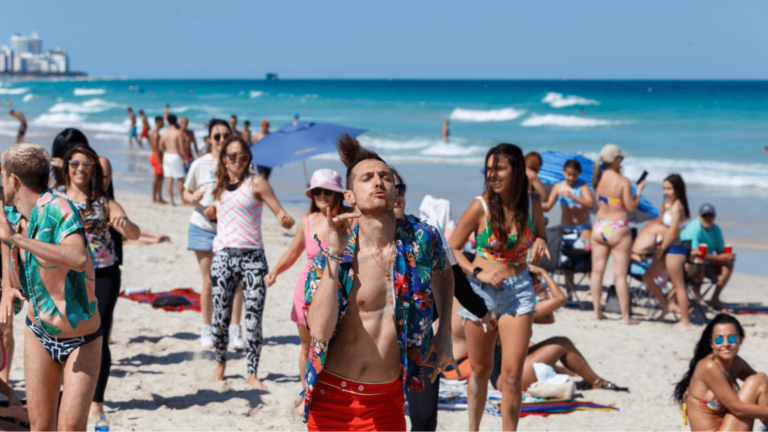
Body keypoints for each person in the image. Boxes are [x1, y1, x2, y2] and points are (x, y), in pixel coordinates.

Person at [302, 135, 456, 431]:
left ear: (395, 191)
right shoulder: (335, 250)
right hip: (334, 398)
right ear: (349, 196)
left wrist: (445, 329)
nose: (378, 182)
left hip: (388, 399)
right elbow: (318, 330)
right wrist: (335, 253)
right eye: (367, 178)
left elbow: (444, 272)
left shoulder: (423, 239)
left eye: (385, 177)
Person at [0, 142, 101, 432]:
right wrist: (8, 285)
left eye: (3, 175)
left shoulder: (59, 208)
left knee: (70, 428)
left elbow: (78, 257)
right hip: (38, 332)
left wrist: (16, 240)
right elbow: (5, 240)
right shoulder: (11, 211)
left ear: (14, 180)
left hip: (82, 339)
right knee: (41, 427)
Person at [449, 143, 549, 432]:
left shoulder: (533, 205)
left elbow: (539, 235)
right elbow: (452, 248)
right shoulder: (479, 206)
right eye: (489, 168)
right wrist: (477, 272)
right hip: (479, 293)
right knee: (480, 371)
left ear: (516, 170)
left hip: (518, 291)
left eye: (499, 168)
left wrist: (541, 241)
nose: (492, 174)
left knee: (512, 377)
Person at [391, 167, 493, 432]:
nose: (395, 194)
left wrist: (483, 312)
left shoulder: (427, 231)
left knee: (424, 419)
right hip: (377, 343)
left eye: (399, 188)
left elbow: (454, 279)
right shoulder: (360, 236)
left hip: (420, 340)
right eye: (389, 188)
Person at [57, 146, 141, 419]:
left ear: (94, 169)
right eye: (75, 163)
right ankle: (66, 390)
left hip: (103, 273)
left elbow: (134, 233)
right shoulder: (54, 200)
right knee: (65, 333)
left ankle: (97, 402)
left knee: (98, 336)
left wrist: (124, 223)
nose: (80, 168)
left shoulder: (102, 202)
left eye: (87, 164)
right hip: (66, 273)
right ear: (67, 166)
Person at [208, 135, 295, 390]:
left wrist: (284, 219)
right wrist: (213, 214)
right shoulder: (219, 186)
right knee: (221, 316)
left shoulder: (257, 182)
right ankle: (220, 361)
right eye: (231, 156)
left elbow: (279, 212)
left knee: (254, 318)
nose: (237, 161)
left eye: (242, 157)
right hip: (223, 256)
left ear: (249, 161)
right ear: (224, 160)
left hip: (253, 258)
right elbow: (224, 216)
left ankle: (252, 372)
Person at [264, 169, 346, 405]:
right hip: (306, 291)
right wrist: (274, 272)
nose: (322, 195)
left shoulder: (348, 222)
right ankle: (307, 393)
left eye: (327, 191)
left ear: (338, 194)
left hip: (338, 292)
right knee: (307, 346)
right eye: (317, 191)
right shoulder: (307, 221)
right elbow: (293, 252)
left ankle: (331, 392)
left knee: (334, 347)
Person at [182, 120, 245, 350]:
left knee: (236, 281)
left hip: (231, 228)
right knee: (209, 282)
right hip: (202, 227)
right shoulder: (199, 164)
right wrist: (193, 197)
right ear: (209, 139)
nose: (220, 140)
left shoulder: (237, 163)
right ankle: (206, 328)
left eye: (224, 136)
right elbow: (185, 193)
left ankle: (235, 331)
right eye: (216, 136)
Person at [519, 265, 627, 392]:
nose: (541, 285)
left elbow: (549, 319)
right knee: (561, 343)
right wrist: (544, 273)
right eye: (539, 281)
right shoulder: (523, 310)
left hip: (505, 372)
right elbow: (561, 298)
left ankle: (588, 378)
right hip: (507, 378)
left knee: (552, 342)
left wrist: (543, 295)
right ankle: (596, 382)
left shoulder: (516, 307)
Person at [674, 313, 768, 431]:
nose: (726, 344)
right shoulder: (708, 366)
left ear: (741, 339)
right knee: (757, 380)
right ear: (711, 343)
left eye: (732, 338)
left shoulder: (735, 362)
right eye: (719, 339)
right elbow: (737, 409)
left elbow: (763, 385)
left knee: (760, 378)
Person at [589, 144, 651, 324]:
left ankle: (597, 312)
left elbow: (598, 201)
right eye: (620, 159)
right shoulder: (622, 181)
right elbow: (631, 207)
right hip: (617, 227)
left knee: (596, 271)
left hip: (600, 226)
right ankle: (626, 317)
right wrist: (639, 191)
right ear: (615, 160)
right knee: (621, 275)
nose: (622, 162)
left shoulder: (597, 178)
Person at [643, 174, 690, 326]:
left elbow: (672, 232)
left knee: (679, 286)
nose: (666, 192)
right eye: (664, 188)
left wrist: (661, 250)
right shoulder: (669, 205)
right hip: (665, 247)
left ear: (678, 189)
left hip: (674, 248)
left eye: (669, 189)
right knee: (648, 277)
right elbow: (661, 224)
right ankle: (666, 305)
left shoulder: (678, 207)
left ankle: (685, 319)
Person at [681, 204, 736, 311]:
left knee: (728, 264)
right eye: (704, 216)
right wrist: (719, 257)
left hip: (707, 263)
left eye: (709, 216)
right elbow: (694, 253)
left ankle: (715, 297)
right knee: (699, 262)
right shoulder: (694, 229)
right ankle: (698, 296)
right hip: (687, 264)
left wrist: (728, 257)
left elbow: (721, 251)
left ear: (714, 216)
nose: (707, 219)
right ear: (698, 216)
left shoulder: (716, 230)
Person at [541, 159, 594, 246]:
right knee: (563, 256)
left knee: (581, 251)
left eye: (575, 175)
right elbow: (547, 207)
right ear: (564, 172)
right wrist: (533, 205)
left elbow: (591, 205)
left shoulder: (582, 186)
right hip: (565, 228)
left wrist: (573, 196)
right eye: (569, 174)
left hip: (583, 228)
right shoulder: (558, 187)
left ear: (579, 173)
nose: (571, 178)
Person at [159, 114, 189, 206]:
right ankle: (183, 201)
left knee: (169, 180)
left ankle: (172, 201)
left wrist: (165, 151)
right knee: (180, 180)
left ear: (168, 122)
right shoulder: (178, 132)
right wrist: (185, 159)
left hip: (167, 156)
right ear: (176, 121)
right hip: (175, 156)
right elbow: (181, 147)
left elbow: (160, 146)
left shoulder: (165, 133)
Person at [149, 116, 166, 204]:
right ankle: (155, 198)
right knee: (157, 177)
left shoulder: (154, 132)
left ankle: (159, 197)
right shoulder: (155, 134)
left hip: (156, 156)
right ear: (158, 122)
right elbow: (156, 149)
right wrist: (160, 162)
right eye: (162, 121)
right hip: (157, 156)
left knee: (160, 178)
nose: (164, 123)